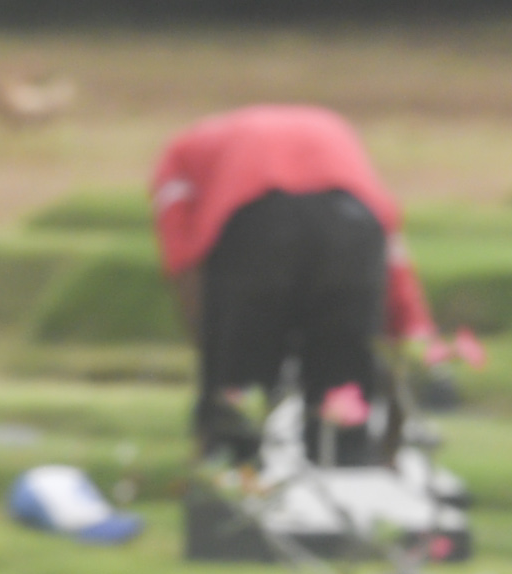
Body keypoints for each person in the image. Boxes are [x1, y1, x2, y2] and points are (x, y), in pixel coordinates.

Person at [148, 105, 435, 467]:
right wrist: (417, 332)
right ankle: (346, 485)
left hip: (255, 224)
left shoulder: (179, 153)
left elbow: (182, 257)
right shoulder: (333, 126)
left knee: (238, 400)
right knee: (342, 397)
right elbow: (391, 249)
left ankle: (231, 485)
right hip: (354, 228)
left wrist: (211, 342)